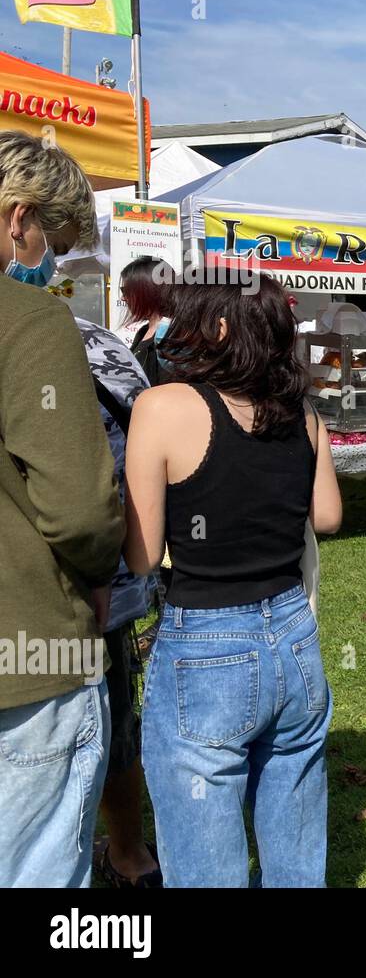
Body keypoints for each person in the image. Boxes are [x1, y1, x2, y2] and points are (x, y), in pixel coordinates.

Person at [123, 279, 343, 887]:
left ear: (217, 330)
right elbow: (327, 516)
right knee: (296, 830)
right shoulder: (303, 414)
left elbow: (142, 555)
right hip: (295, 634)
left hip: (206, 643)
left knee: (203, 851)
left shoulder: (162, 407)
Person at [0, 130, 122, 888]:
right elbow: (80, 508)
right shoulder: (32, 324)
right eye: (55, 241)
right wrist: (104, 564)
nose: (51, 264)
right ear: (19, 217)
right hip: (31, 659)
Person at [71, 318, 164, 888]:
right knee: (110, 717)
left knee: (104, 719)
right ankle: (130, 854)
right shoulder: (89, 337)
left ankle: (125, 853)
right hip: (107, 579)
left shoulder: (79, 338)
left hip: (89, 581)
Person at [120, 255, 173, 386]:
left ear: (146, 291)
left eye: (125, 291)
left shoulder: (171, 335)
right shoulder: (143, 331)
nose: (123, 298)